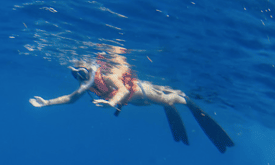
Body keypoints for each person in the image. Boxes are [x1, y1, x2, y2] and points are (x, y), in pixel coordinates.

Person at [30, 49, 234, 153]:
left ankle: (184, 98)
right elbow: (71, 99)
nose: (81, 79)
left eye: (82, 73)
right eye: (77, 76)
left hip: (141, 93)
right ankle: (171, 95)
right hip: (135, 100)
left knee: (169, 99)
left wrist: (111, 103)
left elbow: (123, 89)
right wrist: (47, 103)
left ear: (91, 69)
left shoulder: (107, 76)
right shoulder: (88, 85)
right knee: (163, 97)